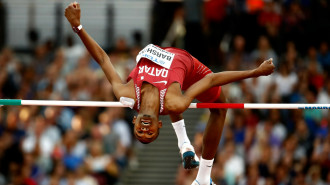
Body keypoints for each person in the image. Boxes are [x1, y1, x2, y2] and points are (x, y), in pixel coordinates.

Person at [65, 2, 275, 185]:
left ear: (135, 121)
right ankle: (203, 176)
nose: (145, 130)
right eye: (150, 133)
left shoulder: (125, 93)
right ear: (159, 125)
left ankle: (184, 144)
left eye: (140, 132)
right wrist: (254, 72)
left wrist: (78, 26)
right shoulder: (175, 103)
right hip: (189, 68)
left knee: (165, 101)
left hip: (158, 51)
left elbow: (103, 59)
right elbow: (210, 79)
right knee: (220, 107)